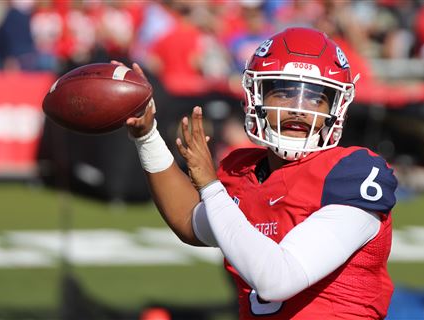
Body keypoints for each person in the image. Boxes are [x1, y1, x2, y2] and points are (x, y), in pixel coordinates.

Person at [124, 27, 398, 319]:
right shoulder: (243, 172)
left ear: (336, 107)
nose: (298, 109)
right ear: (256, 96)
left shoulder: (352, 174)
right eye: (283, 93)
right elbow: (189, 222)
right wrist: (147, 135)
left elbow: (277, 280)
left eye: (315, 98)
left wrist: (210, 187)